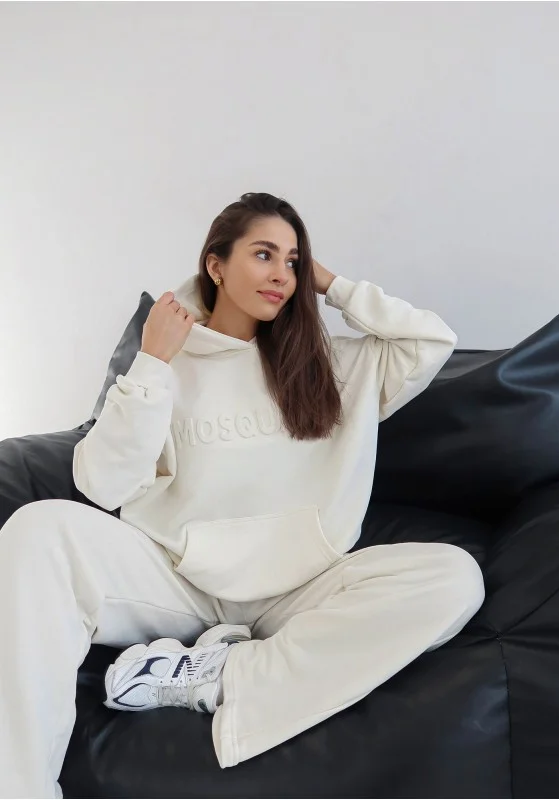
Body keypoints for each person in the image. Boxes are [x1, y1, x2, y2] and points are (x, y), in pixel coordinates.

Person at [0, 192, 485, 798]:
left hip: (299, 589)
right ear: (216, 265)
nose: (282, 273)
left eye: (292, 261)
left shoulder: (333, 365)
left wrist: (330, 284)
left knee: (453, 577)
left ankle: (220, 672)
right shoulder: (168, 363)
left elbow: (431, 340)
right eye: (263, 254)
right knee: (38, 529)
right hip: (179, 584)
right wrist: (151, 362)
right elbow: (102, 483)